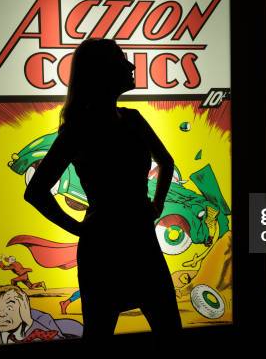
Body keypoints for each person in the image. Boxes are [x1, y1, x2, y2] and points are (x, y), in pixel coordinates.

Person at [23, 38, 182, 348]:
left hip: (113, 242)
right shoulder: (105, 124)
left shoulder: (97, 124)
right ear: (103, 72)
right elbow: (36, 192)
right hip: (129, 242)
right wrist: (153, 206)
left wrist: (83, 228)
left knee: (103, 334)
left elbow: (36, 192)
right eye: (122, 60)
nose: (131, 66)